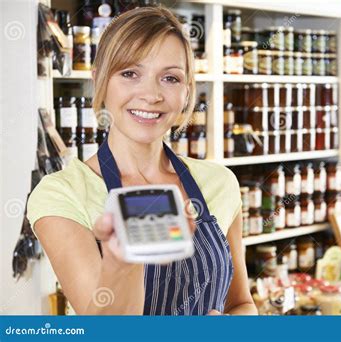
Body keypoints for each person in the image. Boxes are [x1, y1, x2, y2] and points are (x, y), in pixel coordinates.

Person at [27, 6, 257, 316]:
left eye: (170, 78)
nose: (151, 94)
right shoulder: (61, 194)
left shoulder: (220, 182)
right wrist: (124, 259)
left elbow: (241, 304)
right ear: (99, 81)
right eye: (130, 73)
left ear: (187, 92)